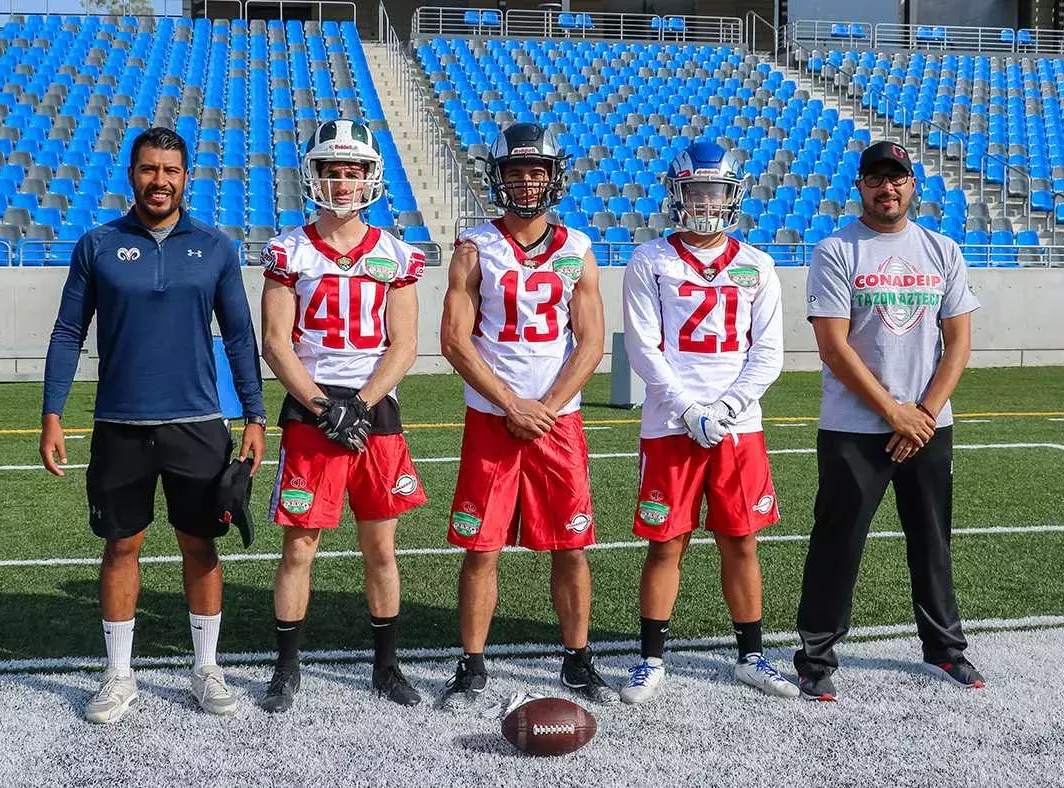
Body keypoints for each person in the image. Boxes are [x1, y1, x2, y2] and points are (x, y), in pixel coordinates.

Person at [39, 126, 267, 724]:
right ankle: (118, 675)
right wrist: (53, 412)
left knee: (201, 544)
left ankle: (206, 669)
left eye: (170, 170)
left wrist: (254, 413)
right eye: (148, 169)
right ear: (131, 173)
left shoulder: (216, 247)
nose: (159, 181)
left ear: (186, 177)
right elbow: (68, 332)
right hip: (119, 424)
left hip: (198, 423)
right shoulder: (98, 244)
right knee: (122, 545)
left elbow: (240, 336)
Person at [794, 140, 983, 701]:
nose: (887, 188)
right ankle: (816, 655)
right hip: (855, 426)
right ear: (860, 186)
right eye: (876, 179)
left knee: (932, 539)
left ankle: (946, 649)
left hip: (928, 425)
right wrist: (893, 412)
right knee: (838, 541)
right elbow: (833, 346)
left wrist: (922, 413)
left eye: (896, 178)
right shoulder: (836, 250)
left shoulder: (942, 249)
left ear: (912, 185)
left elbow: (959, 342)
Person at [437, 122, 614, 709]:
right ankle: (471, 662)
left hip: (557, 421)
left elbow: (591, 344)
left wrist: (547, 406)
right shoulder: (474, 247)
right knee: (481, 547)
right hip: (494, 417)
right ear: (499, 178)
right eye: (515, 172)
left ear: (553, 176)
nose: (527, 183)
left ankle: (577, 658)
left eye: (536, 171)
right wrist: (514, 404)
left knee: (571, 545)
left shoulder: (578, 249)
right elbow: (455, 342)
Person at [257, 119, 428, 713]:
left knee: (381, 548)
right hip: (312, 409)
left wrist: (359, 403)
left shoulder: (396, 254)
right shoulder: (289, 250)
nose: (344, 181)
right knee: (300, 547)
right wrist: (325, 406)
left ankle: (387, 666)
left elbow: (403, 345)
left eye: (353, 171)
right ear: (315, 176)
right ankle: (286, 667)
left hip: (374, 409)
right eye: (333, 170)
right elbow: (276, 343)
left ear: (370, 178)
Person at [619, 140, 796, 704]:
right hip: (671, 424)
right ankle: (650, 659)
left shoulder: (757, 264)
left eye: (715, 191)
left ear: (732, 195)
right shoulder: (651, 261)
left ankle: (751, 654)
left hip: (736, 426)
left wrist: (723, 410)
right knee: (666, 543)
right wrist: (689, 409)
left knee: (740, 541)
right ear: (677, 194)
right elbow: (644, 350)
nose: (706, 201)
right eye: (696, 190)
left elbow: (767, 354)